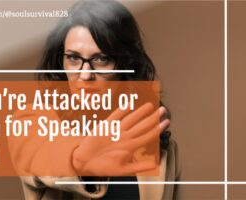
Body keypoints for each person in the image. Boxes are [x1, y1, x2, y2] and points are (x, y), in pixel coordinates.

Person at [15, 0, 180, 199]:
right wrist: (80, 161)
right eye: (74, 58)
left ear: (125, 64)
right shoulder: (32, 122)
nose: (85, 75)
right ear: (61, 62)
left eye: (101, 59)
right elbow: (41, 157)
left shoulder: (163, 150)